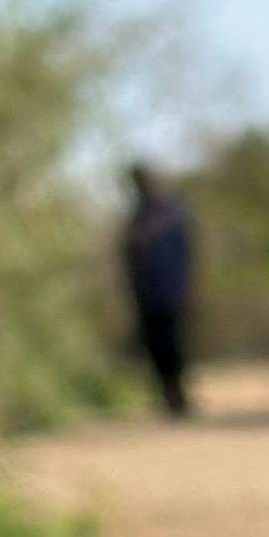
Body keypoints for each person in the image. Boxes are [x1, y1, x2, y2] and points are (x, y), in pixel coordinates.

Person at [118, 162, 197, 419]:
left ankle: (177, 392)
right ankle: (167, 392)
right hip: (147, 294)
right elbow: (128, 258)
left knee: (172, 343)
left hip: (170, 291)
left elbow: (188, 252)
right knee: (154, 344)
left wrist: (188, 285)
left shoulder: (171, 213)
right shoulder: (136, 217)